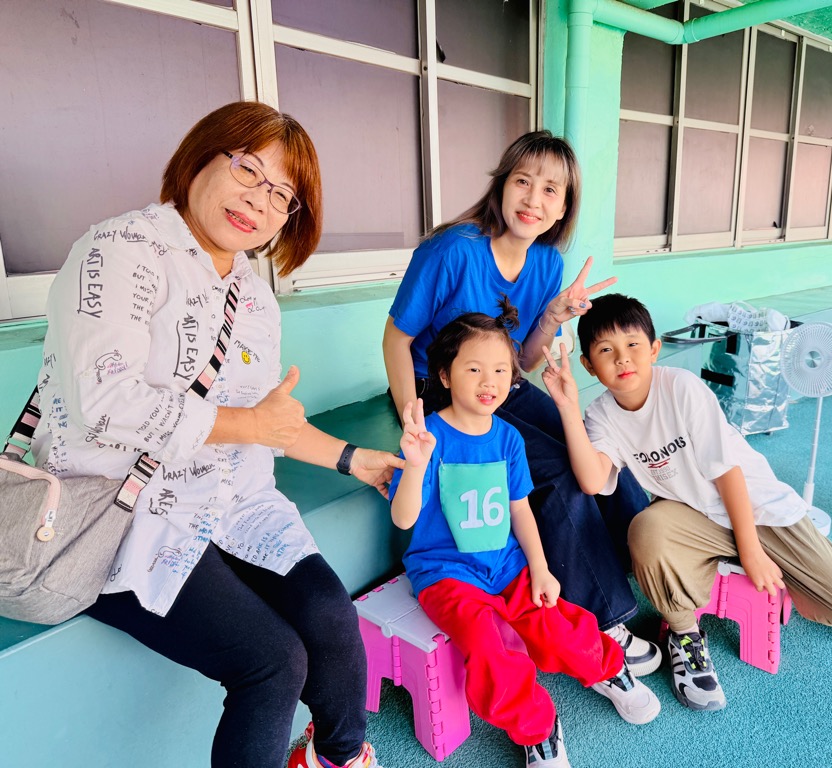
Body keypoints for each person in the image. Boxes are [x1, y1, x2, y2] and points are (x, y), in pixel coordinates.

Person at [31, 101, 400, 768]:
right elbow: (103, 404)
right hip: (121, 514)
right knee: (273, 662)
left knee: (330, 615)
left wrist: (354, 460)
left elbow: (266, 422)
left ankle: (338, 757)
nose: (259, 200)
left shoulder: (254, 299)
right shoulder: (119, 250)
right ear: (200, 157)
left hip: (231, 503)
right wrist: (250, 424)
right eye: (248, 169)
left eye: (282, 194)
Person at [382, 130, 660, 674]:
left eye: (551, 190)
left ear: (564, 206)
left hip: (501, 384)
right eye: (523, 182)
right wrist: (414, 414)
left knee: (589, 447)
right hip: (442, 388)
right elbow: (396, 338)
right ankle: (603, 616)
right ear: (502, 185)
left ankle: (641, 562)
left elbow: (523, 361)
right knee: (555, 471)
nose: (533, 199)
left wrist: (553, 315)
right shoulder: (452, 251)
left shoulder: (547, 264)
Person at [540, 293, 832, 712]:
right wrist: (567, 407)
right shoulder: (601, 414)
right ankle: (685, 635)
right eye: (606, 350)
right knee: (646, 529)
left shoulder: (681, 388)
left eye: (633, 344)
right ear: (588, 365)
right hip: (693, 518)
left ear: (654, 349)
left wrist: (751, 552)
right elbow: (592, 479)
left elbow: (728, 474)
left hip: (758, 509)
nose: (622, 359)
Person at [389, 302, 659, 768]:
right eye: (474, 369)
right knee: (491, 649)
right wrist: (414, 465)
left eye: (500, 370)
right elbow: (403, 519)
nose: (489, 381)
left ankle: (610, 670)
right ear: (446, 376)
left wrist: (540, 567)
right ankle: (539, 728)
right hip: (447, 575)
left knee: (558, 624)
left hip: (508, 565)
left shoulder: (509, 438)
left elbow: (520, 510)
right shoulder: (428, 438)